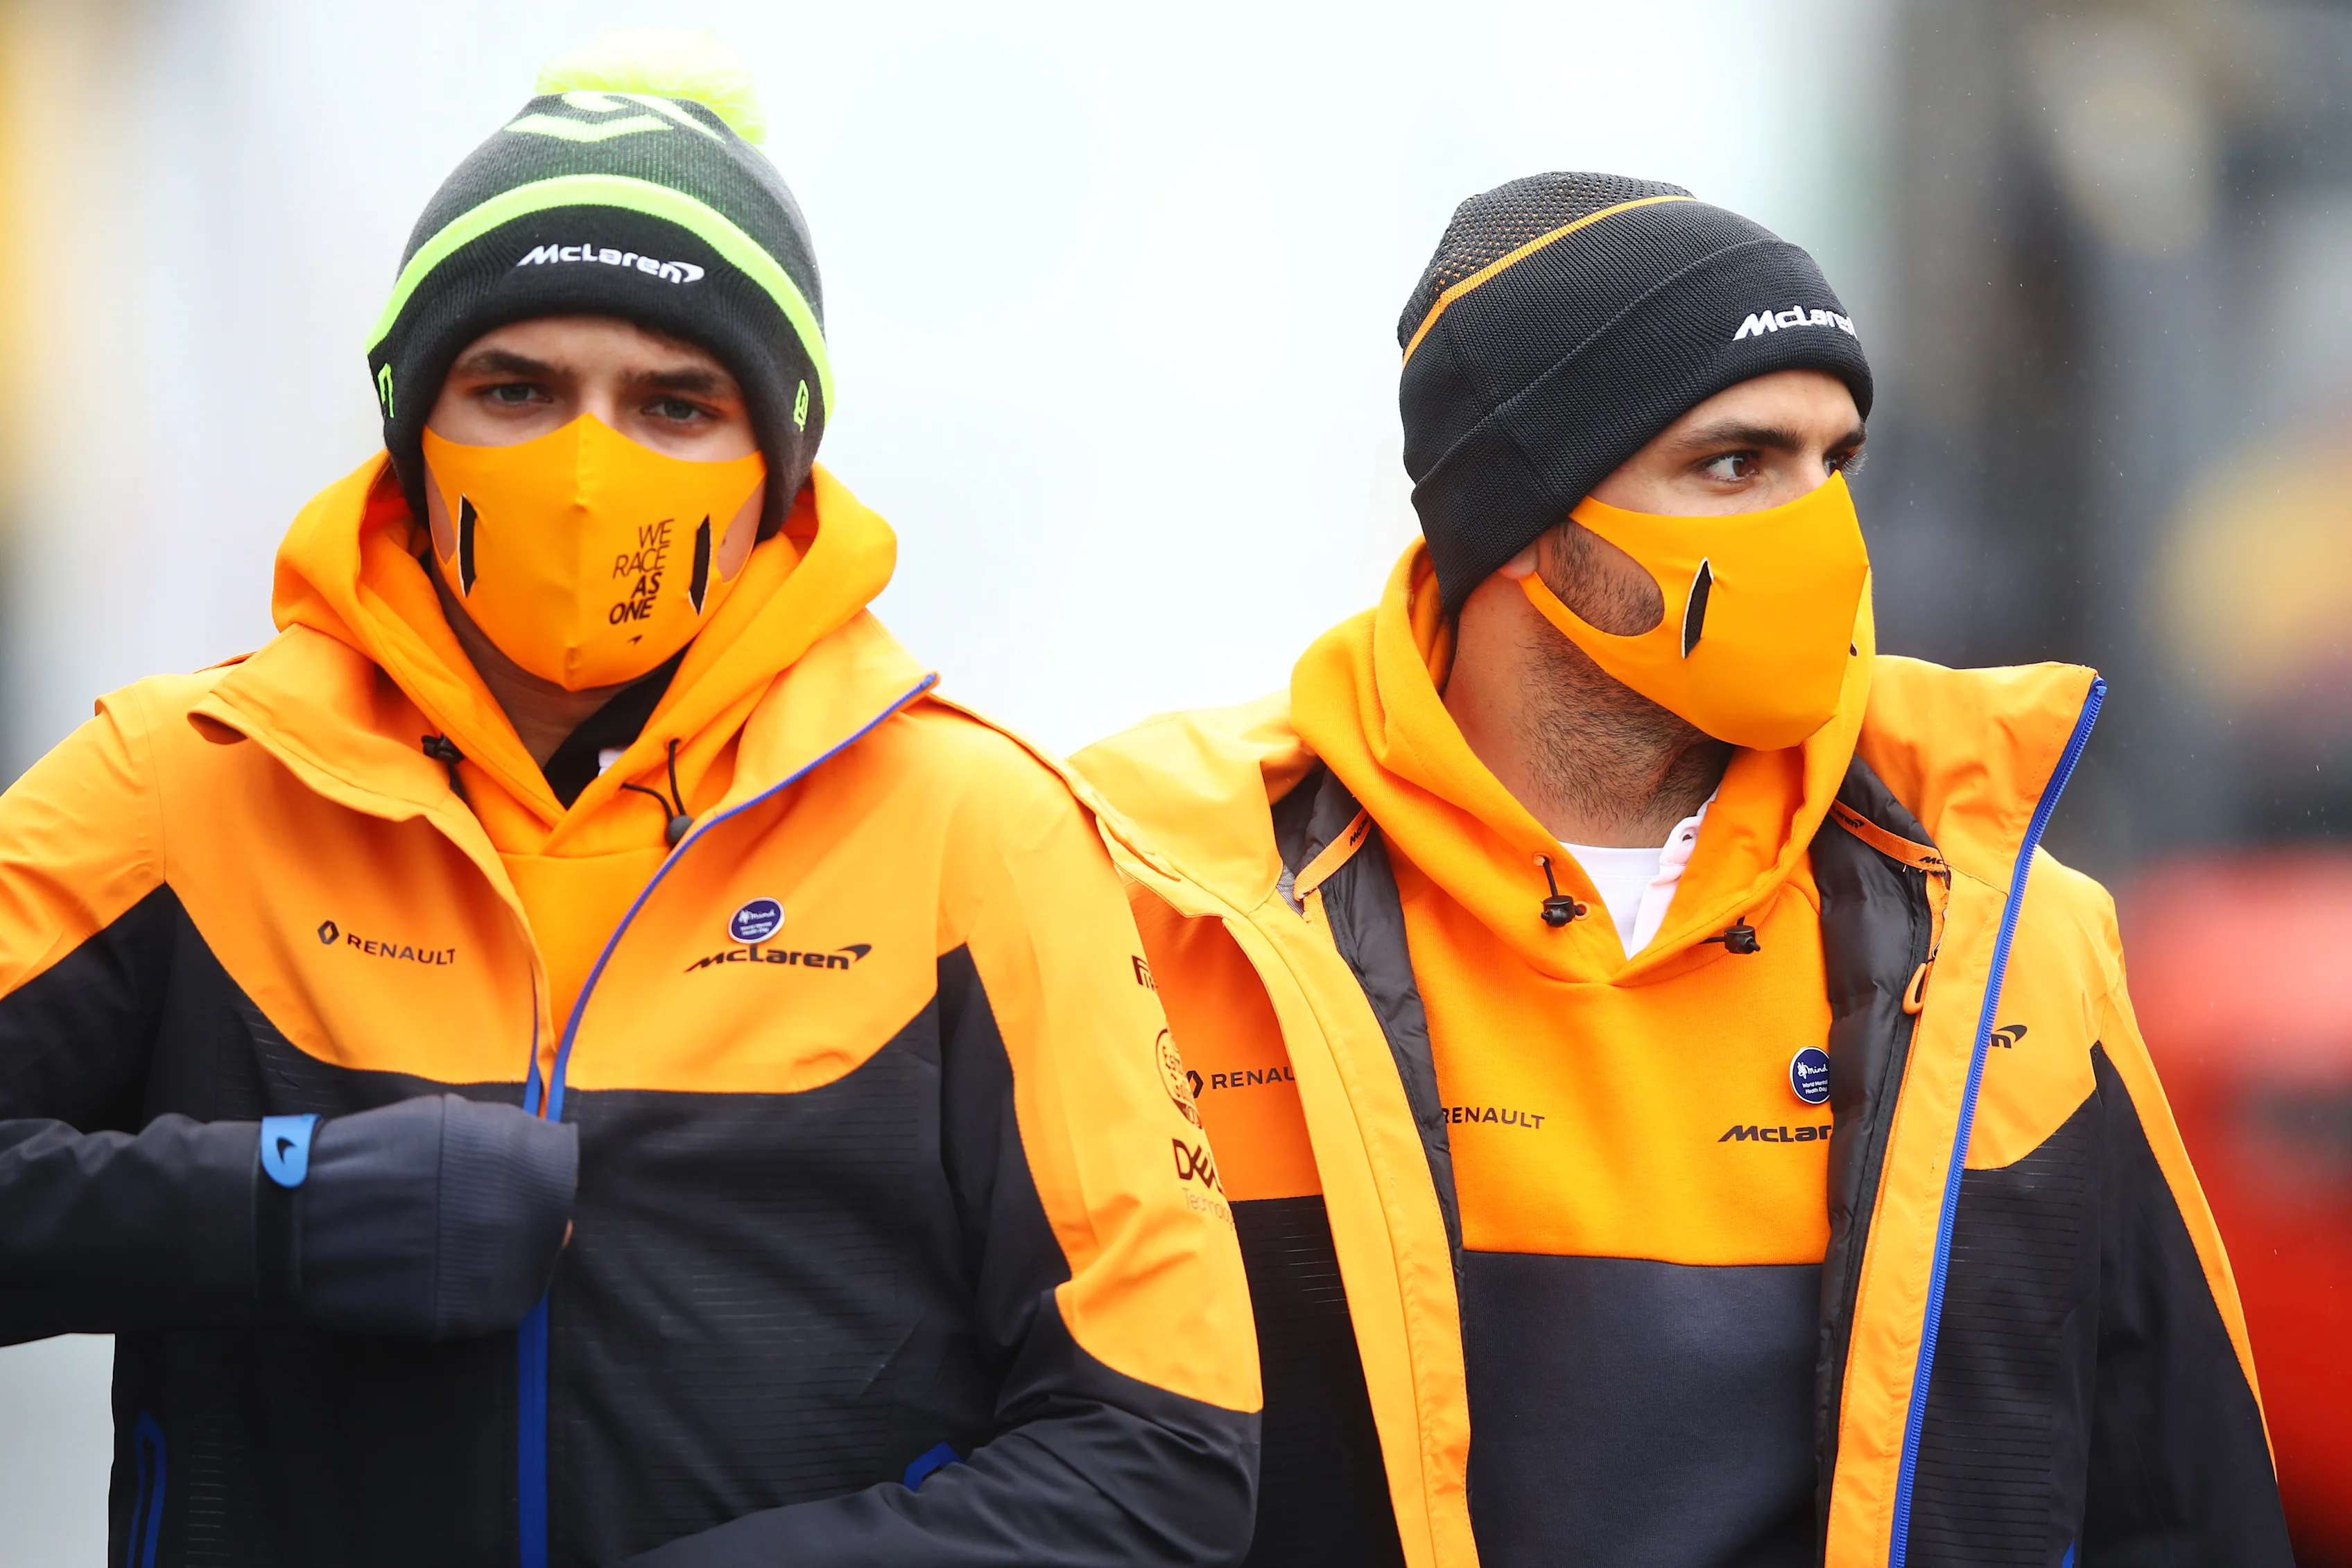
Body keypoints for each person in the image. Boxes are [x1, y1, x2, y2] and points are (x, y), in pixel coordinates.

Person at [0, 32, 1259, 1568]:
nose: (590, 470)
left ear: (777, 465)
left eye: (675, 404)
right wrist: (284, 1207)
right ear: (412, 423)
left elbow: (1166, 1453)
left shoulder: (971, 831)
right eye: (516, 387)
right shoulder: (184, 784)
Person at [1073, 173, 2291, 1567]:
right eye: (1736, 464)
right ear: (1527, 521)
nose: (1820, 533)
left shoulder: (2011, 930)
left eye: (1834, 462)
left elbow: (2175, 1507)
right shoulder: (1171, 900)